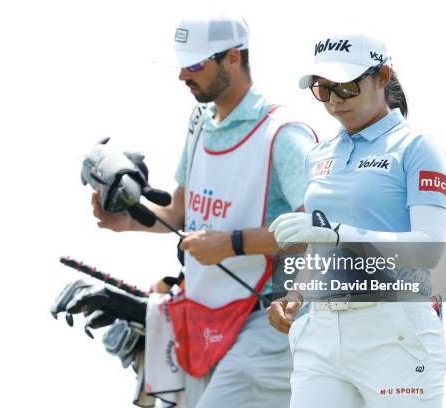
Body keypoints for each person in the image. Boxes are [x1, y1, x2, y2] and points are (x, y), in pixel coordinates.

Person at [91, 10, 318, 408]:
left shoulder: (284, 133)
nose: (182, 76)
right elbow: (180, 213)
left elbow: (317, 231)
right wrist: (124, 220)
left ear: (233, 57)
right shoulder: (200, 124)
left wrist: (230, 244)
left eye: (194, 65)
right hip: (205, 321)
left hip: (266, 322)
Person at [267, 31, 446, 407]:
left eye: (346, 88)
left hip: (395, 331)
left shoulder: (418, 148)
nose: (334, 102)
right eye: (323, 89)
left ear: (382, 76)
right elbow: (320, 244)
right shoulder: (317, 155)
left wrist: (338, 235)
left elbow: (427, 250)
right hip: (321, 331)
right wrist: (296, 296)